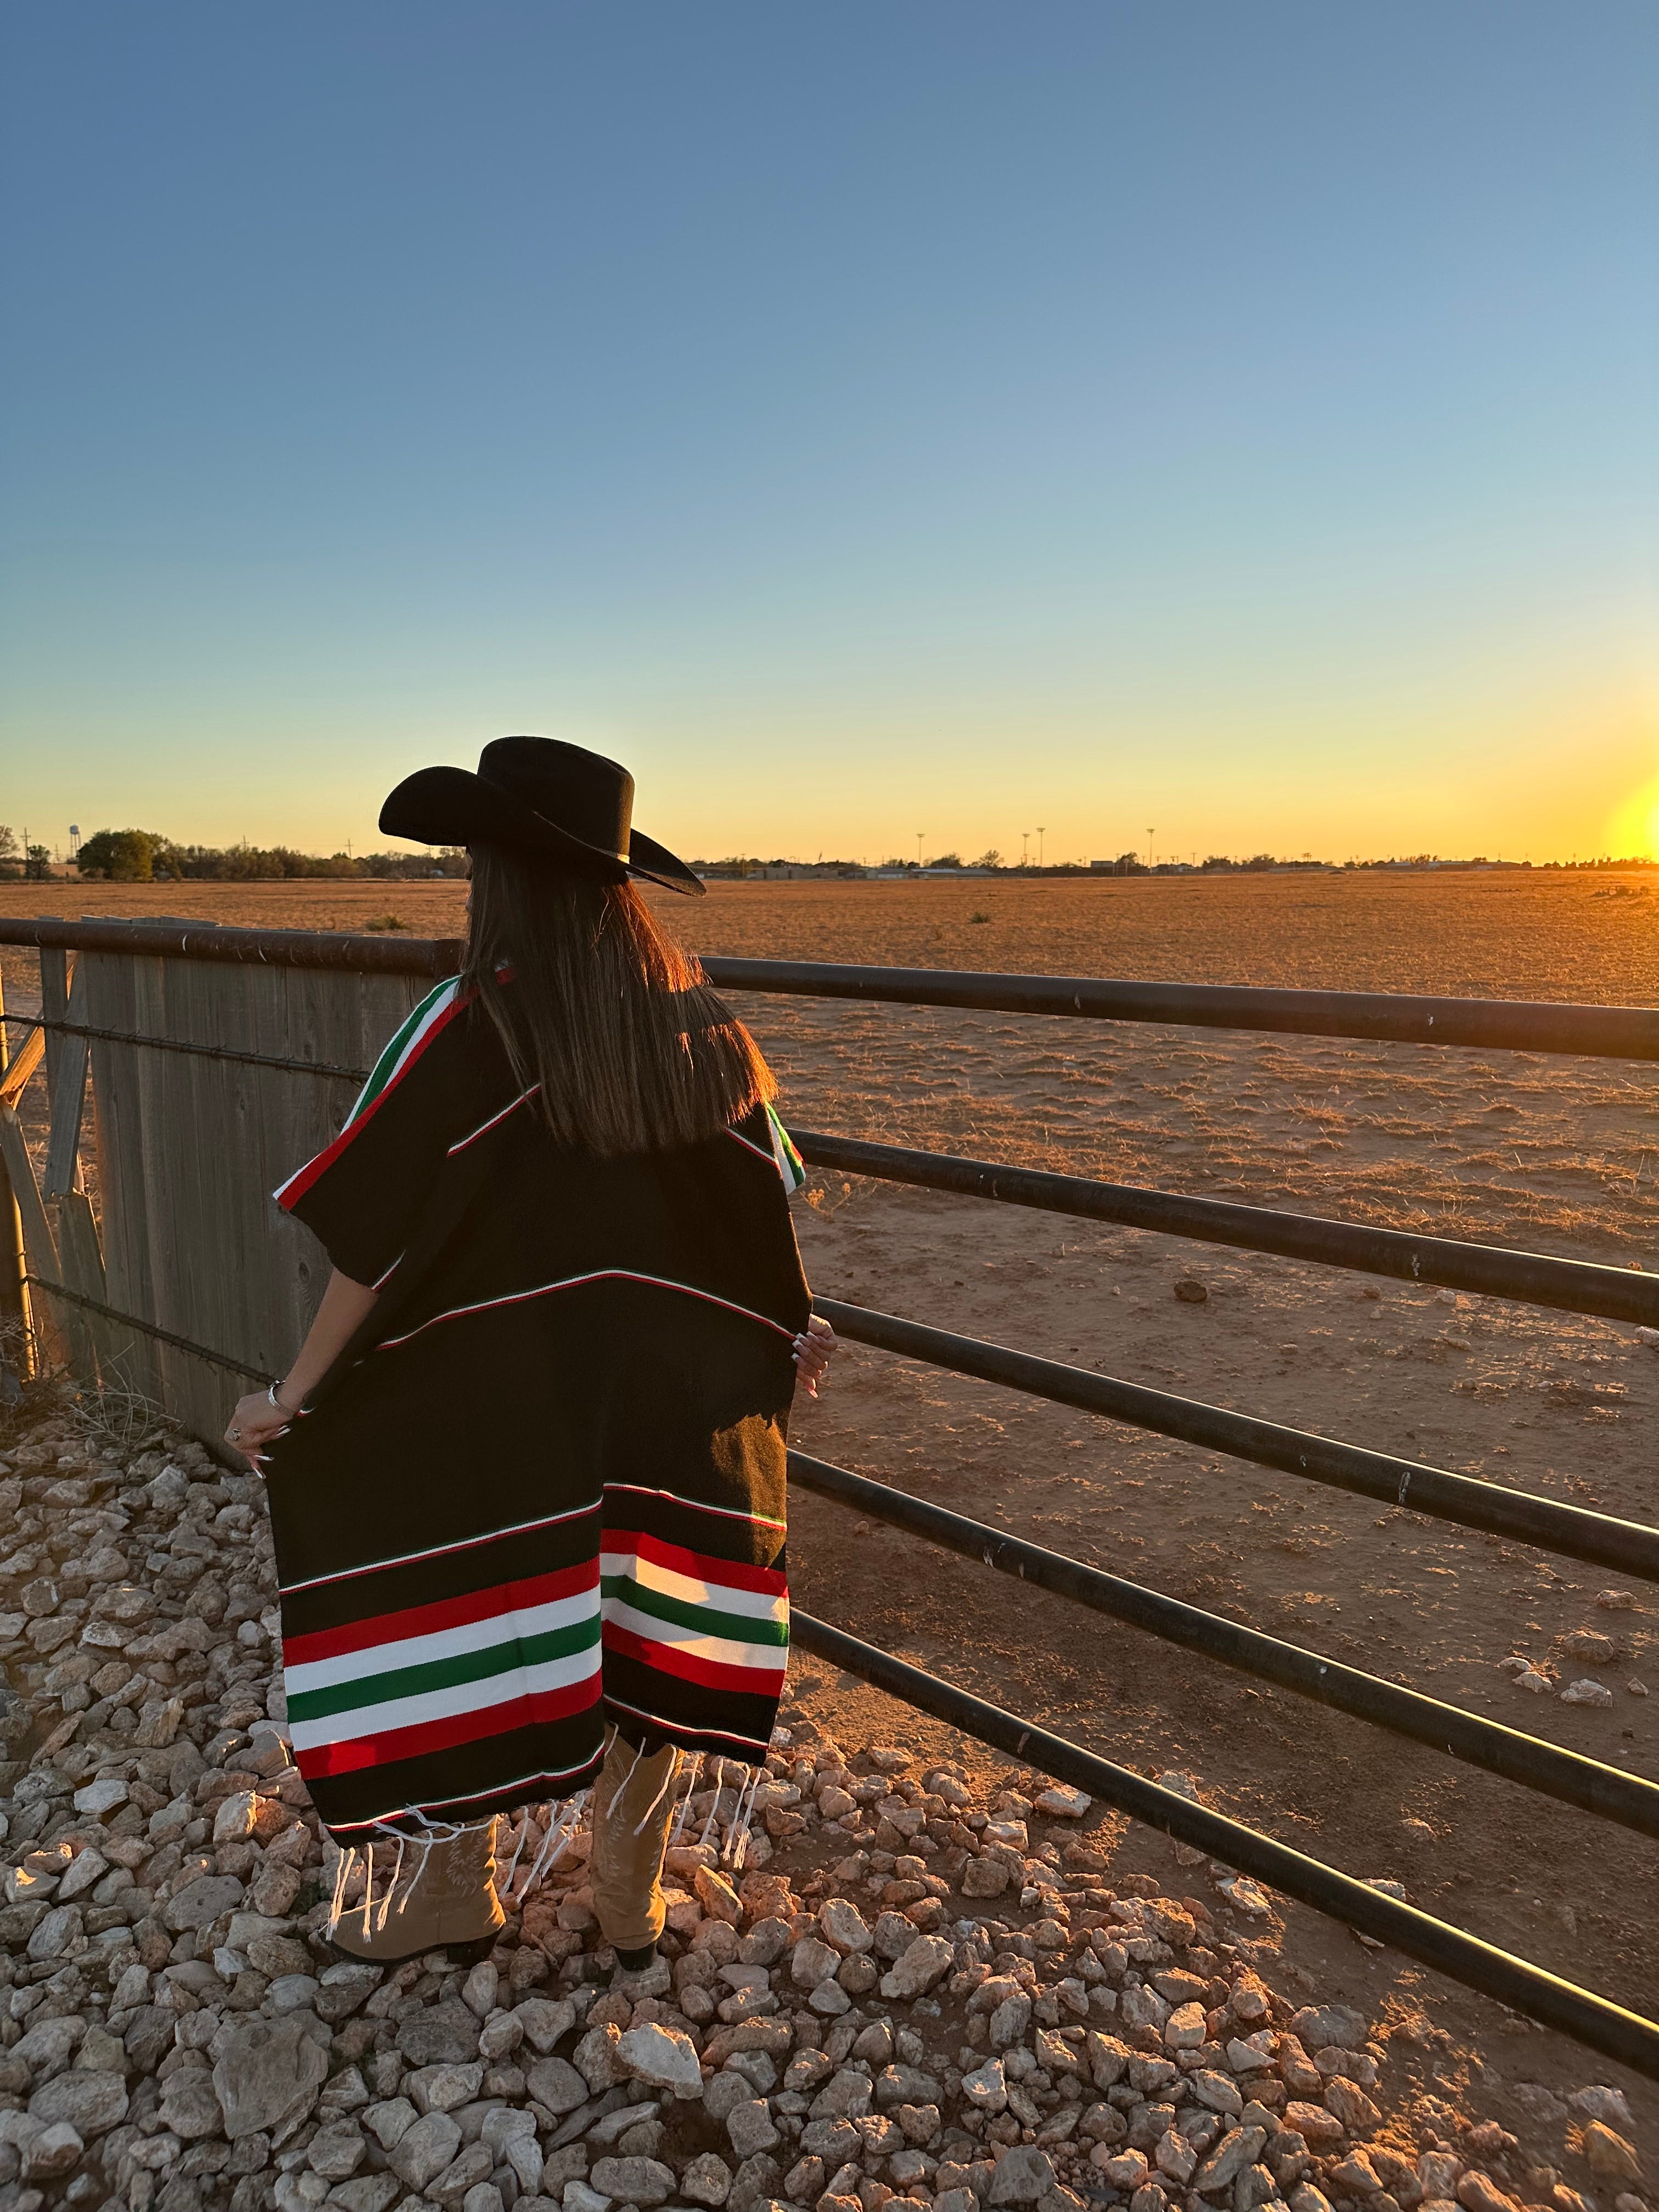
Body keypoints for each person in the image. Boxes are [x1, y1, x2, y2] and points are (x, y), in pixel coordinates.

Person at [225, 736, 834, 1968]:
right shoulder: (711, 1036)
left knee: (461, 1568)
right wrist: (784, 1338)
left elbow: (374, 1244)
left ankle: (452, 1885)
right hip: (666, 1402)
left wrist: (290, 1398)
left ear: (497, 878)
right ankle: (630, 1894)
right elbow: (764, 1205)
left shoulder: (462, 1025)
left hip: (511, 1405)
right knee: (642, 1596)